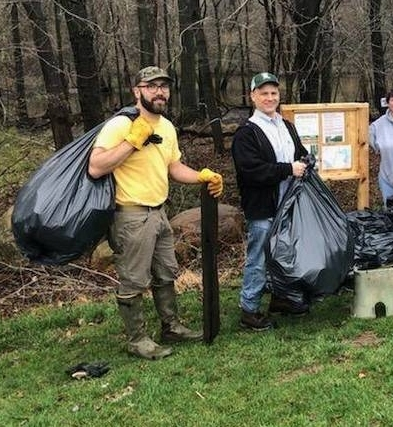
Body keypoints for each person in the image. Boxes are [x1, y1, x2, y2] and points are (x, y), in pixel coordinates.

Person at [88, 66, 224, 360]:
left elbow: (173, 167)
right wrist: (131, 142)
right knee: (134, 279)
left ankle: (170, 326)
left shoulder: (166, 127)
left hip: (160, 213)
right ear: (137, 91)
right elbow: (96, 166)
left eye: (164, 86)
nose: (159, 91)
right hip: (131, 215)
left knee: (165, 273)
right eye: (151, 86)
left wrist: (202, 175)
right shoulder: (120, 125)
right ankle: (137, 339)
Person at [231, 72, 308, 331]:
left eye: (273, 93)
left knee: (284, 254)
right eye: (263, 93)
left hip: (288, 206)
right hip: (262, 208)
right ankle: (249, 310)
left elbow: (301, 153)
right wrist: (288, 169)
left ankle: (281, 298)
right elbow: (251, 171)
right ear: (252, 96)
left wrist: (307, 162)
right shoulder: (246, 133)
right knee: (259, 258)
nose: (269, 97)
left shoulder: (286, 126)